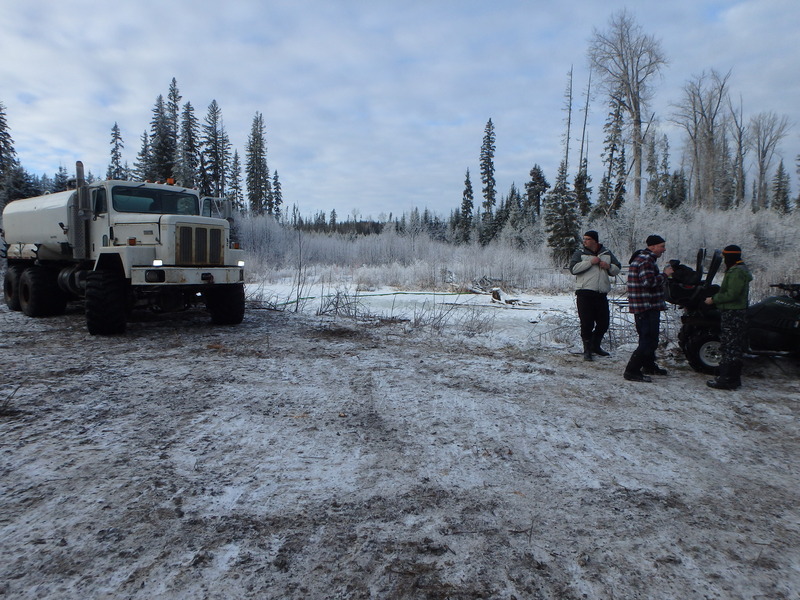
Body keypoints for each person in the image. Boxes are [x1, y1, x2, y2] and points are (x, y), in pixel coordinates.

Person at [623, 235, 675, 382]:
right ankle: (631, 371)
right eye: (662, 246)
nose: (664, 250)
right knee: (648, 340)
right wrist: (665, 274)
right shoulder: (646, 260)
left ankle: (648, 365)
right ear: (652, 246)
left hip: (644, 305)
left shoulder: (644, 259)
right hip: (646, 306)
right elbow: (649, 282)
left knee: (650, 339)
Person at [704, 245, 752, 390]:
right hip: (735, 311)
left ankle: (727, 379)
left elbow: (732, 294)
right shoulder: (738, 269)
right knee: (733, 345)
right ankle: (732, 378)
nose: (724, 260)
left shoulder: (737, 272)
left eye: (725, 257)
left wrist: (714, 299)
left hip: (733, 312)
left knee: (730, 346)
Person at [569, 230, 622, 361]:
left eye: (587, 239)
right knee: (586, 323)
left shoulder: (606, 253)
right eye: (584, 239)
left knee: (604, 323)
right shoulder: (580, 253)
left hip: (601, 293)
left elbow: (617, 269)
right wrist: (590, 262)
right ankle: (587, 349)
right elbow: (573, 269)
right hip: (584, 293)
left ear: (595, 241)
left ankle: (595, 346)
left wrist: (608, 266)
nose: (584, 241)